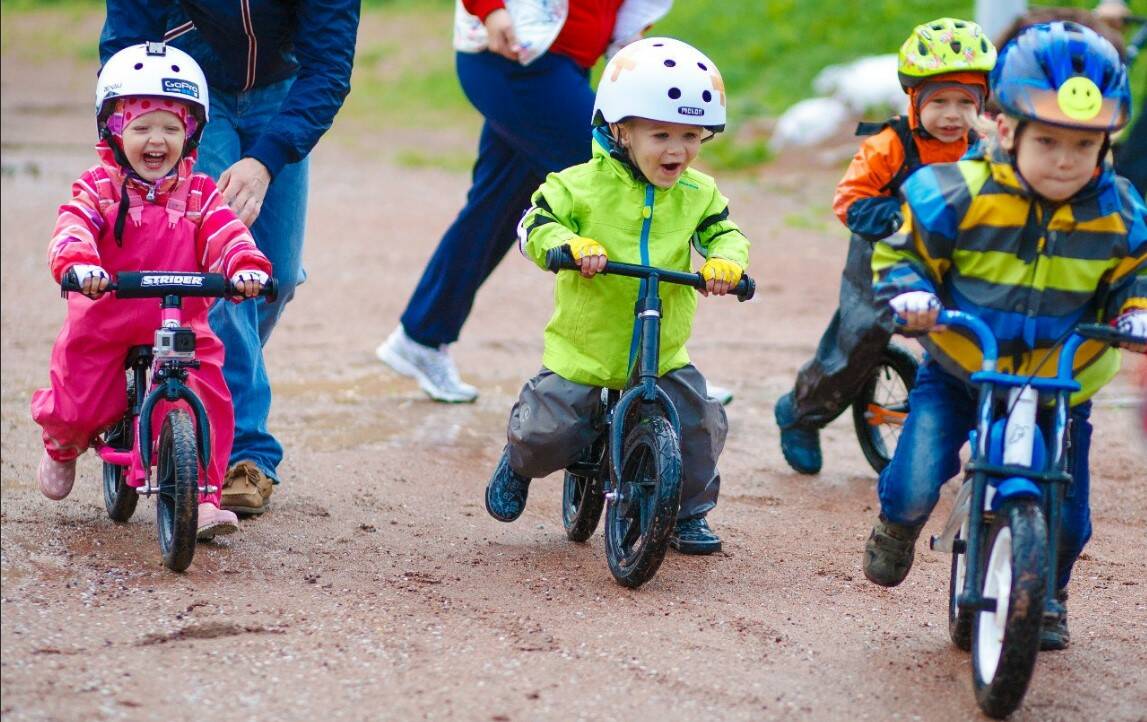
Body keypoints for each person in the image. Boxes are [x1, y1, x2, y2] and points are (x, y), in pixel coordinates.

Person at [861, 22, 1145, 651]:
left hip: (1061, 381)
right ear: (1007, 128)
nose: (1065, 161)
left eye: (1084, 144)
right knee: (914, 481)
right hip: (965, 364)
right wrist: (913, 294)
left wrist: (1137, 312)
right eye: (1047, 140)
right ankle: (896, 526)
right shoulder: (957, 190)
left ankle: (1049, 593)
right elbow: (903, 250)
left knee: (1069, 519)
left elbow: (1138, 272)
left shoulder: (1119, 209)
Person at [483, 37, 749, 554]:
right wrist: (568, 244)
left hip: (662, 349)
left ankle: (687, 511)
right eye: (661, 134)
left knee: (699, 424)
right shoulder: (577, 185)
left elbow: (725, 233)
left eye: (691, 136)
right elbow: (534, 223)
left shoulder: (700, 194)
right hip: (588, 348)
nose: (677, 150)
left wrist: (726, 263)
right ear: (621, 130)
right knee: (548, 431)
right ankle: (518, 461)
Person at [100, 1, 360, 516]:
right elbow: (124, 41)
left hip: (280, 92)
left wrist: (267, 159)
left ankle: (200, 374)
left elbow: (330, 68)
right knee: (220, 278)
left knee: (275, 279)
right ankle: (244, 454)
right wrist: (126, 132)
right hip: (185, 93)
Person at [375, 0, 673, 404]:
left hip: (565, 68)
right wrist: (491, 8)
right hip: (514, 59)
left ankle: (420, 335)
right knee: (619, 179)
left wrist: (627, 41)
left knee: (497, 207)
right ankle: (651, 374)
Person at [30, 43, 272, 539]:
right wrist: (77, 262)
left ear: (192, 132)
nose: (156, 140)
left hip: (182, 320)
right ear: (113, 132)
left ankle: (202, 496)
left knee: (207, 393)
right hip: (107, 315)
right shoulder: (99, 187)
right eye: (141, 127)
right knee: (79, 393)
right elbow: (73, 225)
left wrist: (244, 265)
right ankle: (62, 442)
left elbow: (227, 231)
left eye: (171, 127)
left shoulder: (201, 193)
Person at [774, 18, 997, 474]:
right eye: (940, 102)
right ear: (914, 99)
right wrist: (897, 218)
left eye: (965, 102)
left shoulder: (985, 145)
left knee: (979, 332)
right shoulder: (890, 143)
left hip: (955, 257)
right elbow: (849, 198)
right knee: (859, 338)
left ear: (983, 103)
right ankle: (801, 411)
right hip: (881, 251)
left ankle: (980, 430)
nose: (953, 115)